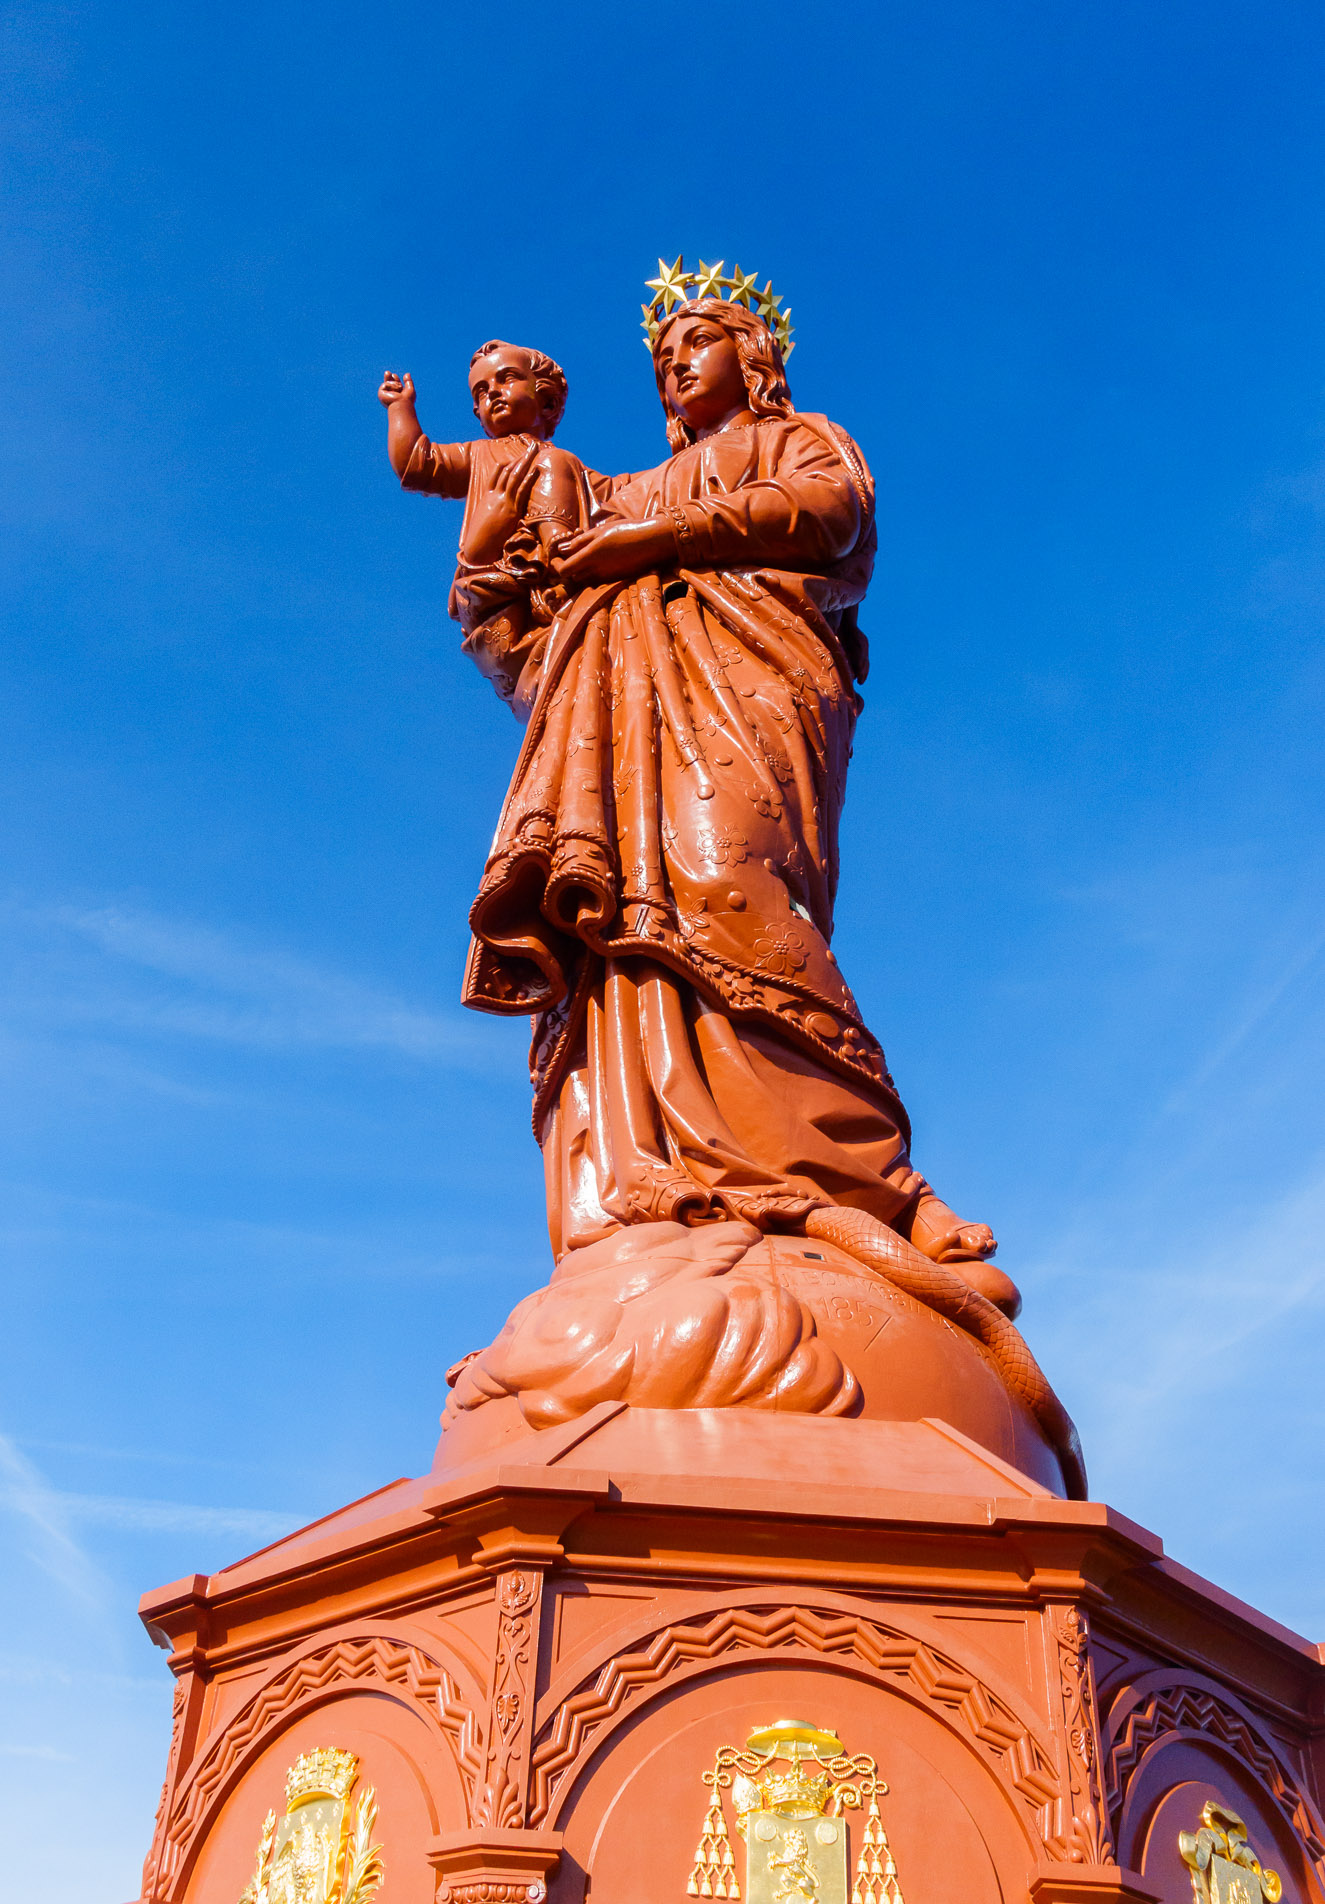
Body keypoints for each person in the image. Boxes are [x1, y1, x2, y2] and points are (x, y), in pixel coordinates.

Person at [458, 294, 1003, 1276]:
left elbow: (832, 517)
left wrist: (659, 543)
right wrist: (504, 521)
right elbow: (531, 565)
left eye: (695, 340)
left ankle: (877, 1185)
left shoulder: (800, 439)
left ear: (750, 352)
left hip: (751, 681)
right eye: (661, 352)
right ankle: (652, 1188)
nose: (673, 362)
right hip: (626, 729)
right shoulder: (628, 488)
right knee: (621, 919)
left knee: (730, 886)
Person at [379, 341, 592, 706]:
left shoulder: (574, 471)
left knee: (559, 463)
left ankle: (564, 556)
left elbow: (626, 497)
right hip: (500, 585)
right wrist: (400, 408)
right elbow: (416, 464)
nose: (492, 391)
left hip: (554, 593)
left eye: (506, 378)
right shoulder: (479, 455)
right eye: (481, 391)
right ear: (477, 412)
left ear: (549, 402)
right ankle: (564, 555)